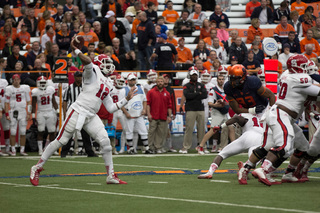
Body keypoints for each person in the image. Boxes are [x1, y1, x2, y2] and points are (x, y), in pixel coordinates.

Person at [30, 40, 136, 185]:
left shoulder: (108, 82)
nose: (109, 64)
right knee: (62, 140)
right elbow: (87, 62)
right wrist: (77, 50)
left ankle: (110, 175)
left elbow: (111, 107)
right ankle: (37, 167)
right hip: (78, 111)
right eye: (105, 61)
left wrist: (126, 99)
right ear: (98, 63)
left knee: (105, 142)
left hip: (92, 115)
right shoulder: (93, 71)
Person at [247, 55, 320, 186]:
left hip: (287, 116)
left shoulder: (288, 75)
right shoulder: (301, 79)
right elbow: (316, 91)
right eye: (304, 67)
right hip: (282, 114)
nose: (306, 70)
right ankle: (263, 169)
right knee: (284, 146)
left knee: (303, 147)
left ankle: (288, 173)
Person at [198, 113, 263, 179]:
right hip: (260, 139)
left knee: (222, 154)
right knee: (253, 160)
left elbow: (237, 118)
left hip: (248, 135)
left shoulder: (244, 114)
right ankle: (246, 166)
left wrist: (221, 126)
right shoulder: (261, 116)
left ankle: (210, 172)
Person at [60, 71, 98, 157]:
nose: (79, 78)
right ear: (74, 77)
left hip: (83, 112)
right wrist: (65, 113)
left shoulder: (85, 87)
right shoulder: (69, 88)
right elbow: (65, 101)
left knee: (86, 133)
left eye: (80, 76)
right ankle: (64, 152)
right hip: (73, 113)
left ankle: (89, 151)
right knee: (69, 133)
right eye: (77, 76)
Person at [197, 74, 230, 154]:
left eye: (222, 79)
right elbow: (210, 103)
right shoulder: (213, 90)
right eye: (220, 79)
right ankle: (200, 146)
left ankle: (223, 147)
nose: (221, 81)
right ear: (217, 80)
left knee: (228, 128)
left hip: (225, 112)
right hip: (217, 112)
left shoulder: (227, 90)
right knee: (213, 129)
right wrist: (216, 105)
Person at [122, 73, 152, 154]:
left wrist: (144, 109)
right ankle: (131, 148)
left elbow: (144, 100)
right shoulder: (124, 89)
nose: (132, 81)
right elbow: (120, 103)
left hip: (139, 114)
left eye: (134, 79)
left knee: (143, 131)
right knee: (129, 132)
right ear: (128, 81)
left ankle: (146, 148)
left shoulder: (140, 88)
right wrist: (125, 113)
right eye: (131, 80)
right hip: (129, 114)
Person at [180, 67, 207, 154]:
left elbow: (204, 95)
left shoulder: (201, 85)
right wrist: (198, 94)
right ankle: (186, 147)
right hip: (190, 109)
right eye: (192, 75)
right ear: (190, 76)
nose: (194, 77)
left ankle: (202, 146)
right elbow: (187, 95)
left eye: (195, 75)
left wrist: (193, 95)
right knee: (189, 128)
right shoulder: (186, 85)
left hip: (200, 109)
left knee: (201, 129)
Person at [4, 74, 31, 156]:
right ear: (12, 80)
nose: (16, 81)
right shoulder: (9, 89)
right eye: (14, 79)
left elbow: (29, 101)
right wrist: (7, 113)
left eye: (17, 79)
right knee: (13, 131)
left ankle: (22, 150)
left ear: (20, 80)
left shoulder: (24, 88)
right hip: (13, 111)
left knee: (23, 131)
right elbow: (6, 103)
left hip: (22, 111)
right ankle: (13, 150)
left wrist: (29, 112)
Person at [31, 76, 58, 155]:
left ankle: (52, 150)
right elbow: (33, 104)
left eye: (44, 83)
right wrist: (33, 115)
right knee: (41, 131)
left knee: (52, 131)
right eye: (41, 83)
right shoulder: (35, 91)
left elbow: (53, 101)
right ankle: (40, 150)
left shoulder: (50, 89)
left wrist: (57, 111)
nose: (42, 84)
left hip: (50, 112)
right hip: (41, 112)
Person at [147, 76, 172, 153]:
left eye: (161, 81)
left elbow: (169, 106)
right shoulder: (151, 92)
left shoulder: (167, 93)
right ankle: (150, 147)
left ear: (164, 82)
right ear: (156, 82)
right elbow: (148, 104)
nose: (160, 83)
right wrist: (148, 114)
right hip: (153, 115)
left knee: (161, 133)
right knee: (151, 132)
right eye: (158, 81)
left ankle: (158, 147)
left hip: (163, 116)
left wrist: (169, 116)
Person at [110, 75, 127, 154]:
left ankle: (122, 148)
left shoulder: (124, 89)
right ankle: (111, 148)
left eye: (121, 81)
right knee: (112, 131)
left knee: (125, 130)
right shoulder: (111, 88)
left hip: (121, 111)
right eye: (119, 81)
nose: (120, 83)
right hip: (113, 111)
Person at [0, 78, 9, 156]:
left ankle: (7, 148)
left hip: (4, 107)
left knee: (7, 127)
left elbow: (7, 96)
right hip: (1, 107)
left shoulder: (4, 82)